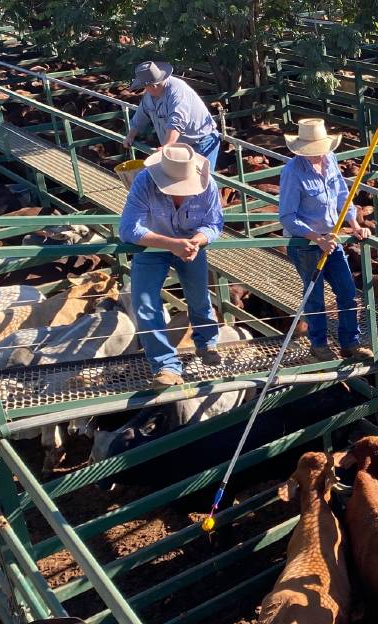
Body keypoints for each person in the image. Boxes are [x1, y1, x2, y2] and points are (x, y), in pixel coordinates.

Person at [119, 143, 224, 387]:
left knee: (198, 295)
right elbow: (128, 228)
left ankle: (207, 342)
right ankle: (165, 365)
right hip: (152, 245)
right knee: (144, 303)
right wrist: (170, 243)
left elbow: (214, 224)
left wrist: (197, 241)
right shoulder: (144, 182)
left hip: (191, 244)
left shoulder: (208, 183)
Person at [278, 119, 374, 362]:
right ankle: (319, 344)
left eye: (322, 149)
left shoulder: (330, 160)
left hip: (332, 239)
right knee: (315, 294)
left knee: (347, 290)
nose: (319, 155)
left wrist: (354, 224)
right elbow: (288, 217)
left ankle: (350, 342)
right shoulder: (292, 172)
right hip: (305, 244)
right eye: (314, 151)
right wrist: (316, 238)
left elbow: (343, 194)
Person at [123, 61, 221, 169]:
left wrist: (166, 147)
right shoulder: (149, 95)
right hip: (178, 147)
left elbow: (176, 121)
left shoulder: (178, 92)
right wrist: (131, 135)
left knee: (200, 181)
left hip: (200, 143)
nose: (144, 89)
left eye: (145, 86)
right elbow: (141, 114)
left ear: (154, 85)